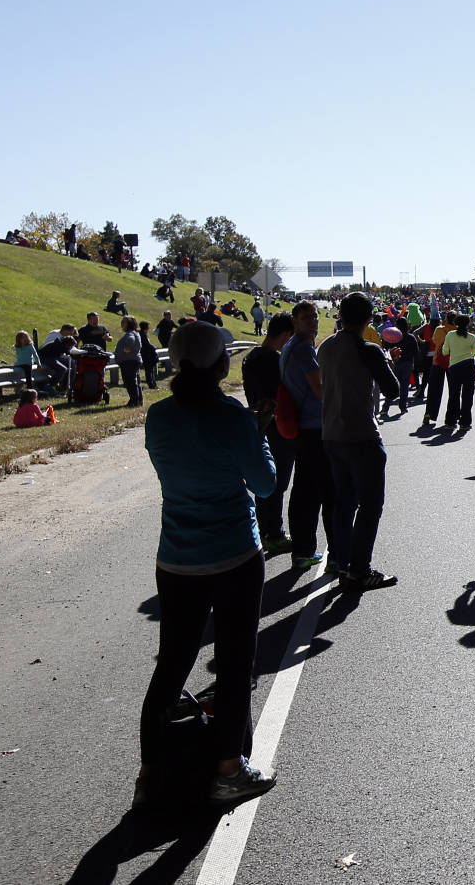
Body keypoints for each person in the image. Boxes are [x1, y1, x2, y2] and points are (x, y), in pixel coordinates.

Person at [137, 321, 277, 808]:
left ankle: (149, 775)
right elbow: (263, 484)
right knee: (236, 665)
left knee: (171, 666)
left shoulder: (158, 416)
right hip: (234, 554)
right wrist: (258, 435)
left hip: (175, 558)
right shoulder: (233, 416)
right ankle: (228, 770)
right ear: (222, 365)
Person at [317, 292, 403, 592]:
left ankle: (341, 562)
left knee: (344, 503)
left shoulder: (325, 346)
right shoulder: (369, 349)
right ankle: (360, 570)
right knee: (370, 506)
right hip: (362, 435)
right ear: (370, 318)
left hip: (331, 434)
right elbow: (392, 391)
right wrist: (389, 360)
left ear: (341, 314)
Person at [279, 301, 337, 572]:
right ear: (294, 321)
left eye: (314, 316)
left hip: (304, 426)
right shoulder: (302, 348)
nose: (312, 321)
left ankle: (304, 549)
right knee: (320, 491)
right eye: (305, 318)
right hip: (313, 427)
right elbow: (319, 390)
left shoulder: (292, 345)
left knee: (305, 490)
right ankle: (313, 551)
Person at [241, 314, 298, 556]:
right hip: (277, 425)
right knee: (278, 483)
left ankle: (262, 530)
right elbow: (283, 394)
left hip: (259, 425)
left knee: (264, 481)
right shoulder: (274, 361)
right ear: (286, 334)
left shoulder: (250, 357)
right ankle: (274, 534)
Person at [439, 313, 475, 431]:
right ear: (468, 324)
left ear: (455, 323)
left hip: (454, 368)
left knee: (454, 395)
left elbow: (445, 352)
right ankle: (465, 422)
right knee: (467, 396)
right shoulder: (471, 337)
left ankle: (451, 421)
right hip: (468, 367)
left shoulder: (450, 335)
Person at [116, 316, 145, 407]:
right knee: (135, 382)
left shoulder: (130, 333)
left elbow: (130, 341)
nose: (121, 323)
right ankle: (138, 401)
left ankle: (134, 402)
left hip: (128, 361)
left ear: (130, 324)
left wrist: (125, 351)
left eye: (124, 322)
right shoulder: (135, 332)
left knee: (130, 382)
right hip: (133, 360)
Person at [39, 324, 78, 392]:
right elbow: (69, 353)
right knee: (62, 369)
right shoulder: (60, 345)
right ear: (67, 345)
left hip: (52, 357)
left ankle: (64, 386)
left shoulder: (61, 343)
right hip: (44, 358)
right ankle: (50, 385)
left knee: (68, 366)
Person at [139, 320, 160, 391]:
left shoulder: (143, 334)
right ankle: (151, 384)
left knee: (150, 370)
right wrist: (154, 347)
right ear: (146, 327)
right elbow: (146, 345)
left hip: (148, 354)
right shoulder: (142, 334)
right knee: (149, 370)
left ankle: (153, 384)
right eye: (148, 327)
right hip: (146, 355)